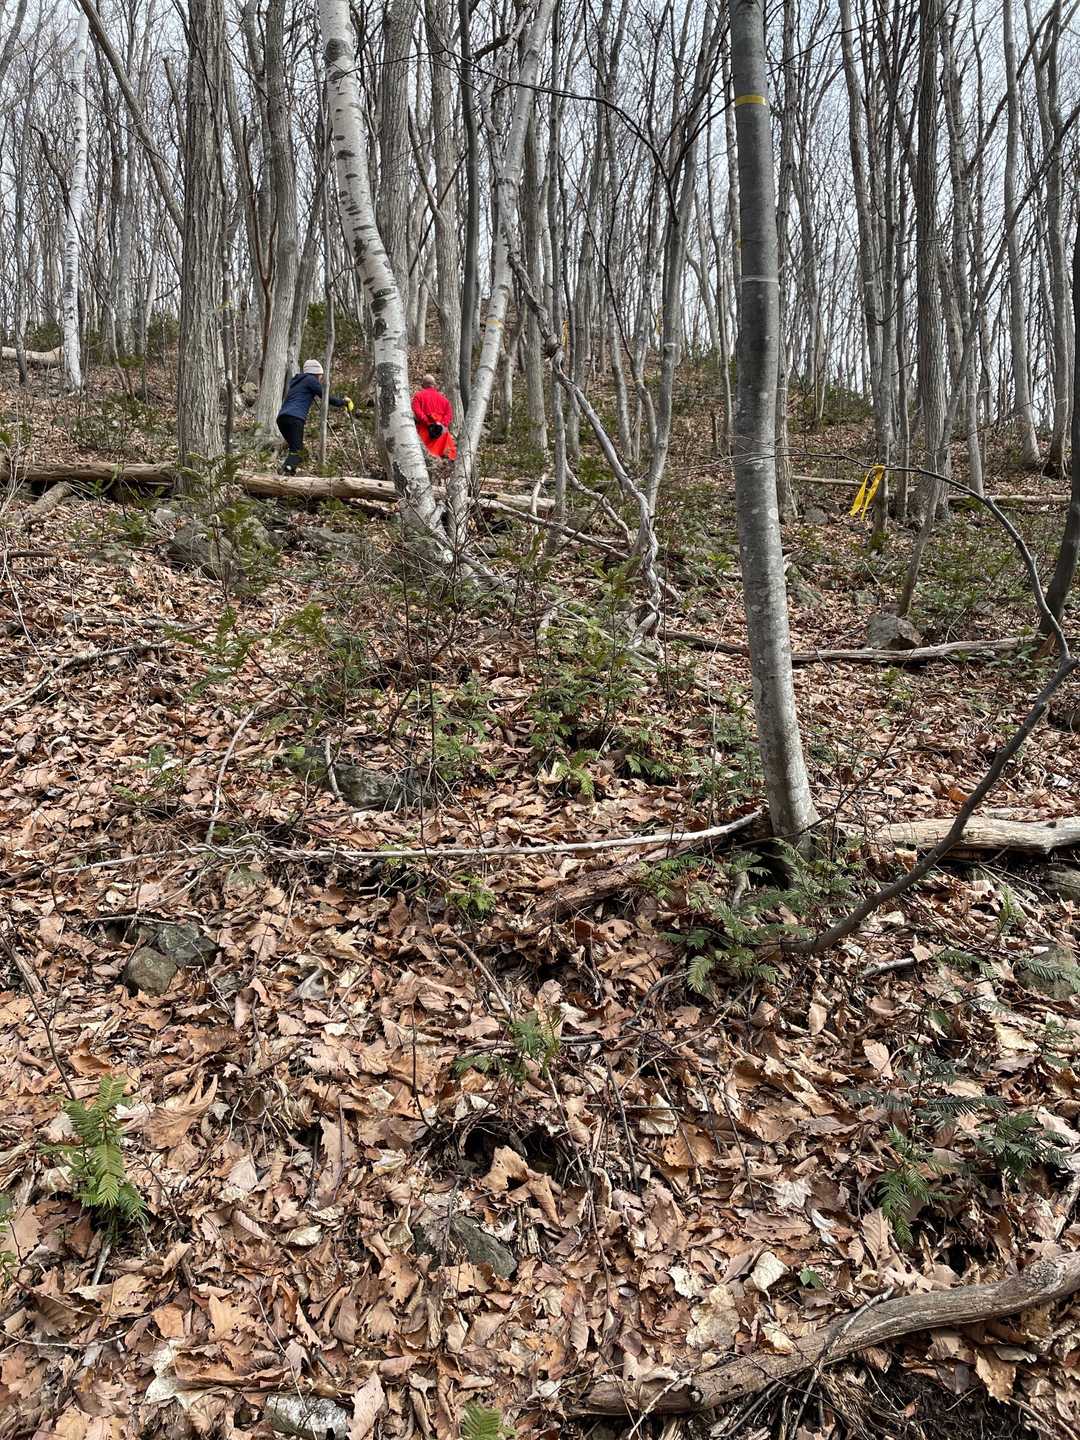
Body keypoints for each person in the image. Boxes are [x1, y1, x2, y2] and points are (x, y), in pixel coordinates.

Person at [276, 359, 353, 474]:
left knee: (295, 448)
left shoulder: (297, 382)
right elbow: (326, 396)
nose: (321, 378)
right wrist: (343, 402)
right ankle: (286, 471)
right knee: (297, 450)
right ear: (316, 373)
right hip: (295, 418)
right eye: (320, 375)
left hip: (282, 418)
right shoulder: (311, 380)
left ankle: (288, 471)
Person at [411, 373, 457, 460]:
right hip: (442, 434)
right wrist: (441, 425)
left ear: (422, 385)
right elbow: (449, 415)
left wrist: (428, 422)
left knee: (423, 458)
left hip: (424, 432)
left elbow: (417, 412)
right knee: (448, 458)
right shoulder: (444, 400)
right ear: (434, 385)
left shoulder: (418, 396)